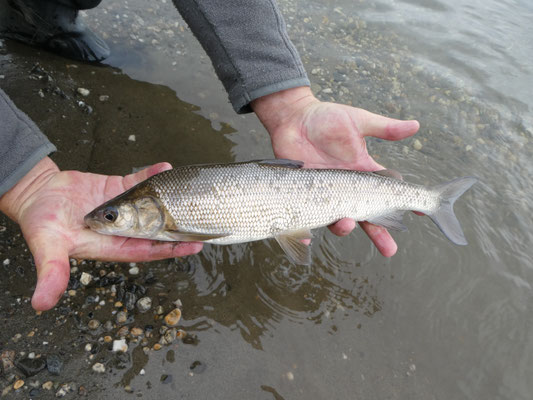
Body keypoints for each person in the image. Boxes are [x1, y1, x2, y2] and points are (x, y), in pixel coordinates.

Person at [0, 0, 420, 311]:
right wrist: (19, 173)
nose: (103, 219)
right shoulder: (158, 208)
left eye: (110, 216)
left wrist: (286, 98)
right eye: (110, 216)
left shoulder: (165, 212)